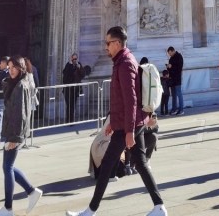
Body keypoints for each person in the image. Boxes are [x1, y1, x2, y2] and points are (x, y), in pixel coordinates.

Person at [66, 25, 166, 216]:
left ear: (118, 43)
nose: (106, 46)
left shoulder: (125, 63)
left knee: (107, 166)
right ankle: (159, 206)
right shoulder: (122, 61)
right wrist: (113, 121)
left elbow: (131, 100)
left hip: (127, 125)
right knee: (140, 164)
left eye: (108, 43)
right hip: (126, 123)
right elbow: (120, 98)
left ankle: (90, 211)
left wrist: (128, 131)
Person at [0, 55, 43, 216]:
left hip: (15, 132)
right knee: (8, 166)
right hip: (12, 130)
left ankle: (8, 208)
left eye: (14, 67)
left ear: (21, 68)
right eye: (9, 67)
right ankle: (31, 192)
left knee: (7, 167)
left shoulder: (21, 86)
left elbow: (21, 114)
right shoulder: (14, 83)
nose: (11, 70)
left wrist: (15, 138)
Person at [62, 53, 84, 124]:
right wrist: (70, 64)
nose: (74, 60)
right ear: (71, 59)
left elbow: (82, 75)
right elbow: (65, 73)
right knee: (68, 104)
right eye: (73, 59)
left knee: (72, 105)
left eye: (75, 59)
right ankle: (68, 120)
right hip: (67, 89)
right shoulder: (68, 65)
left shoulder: (79, 65)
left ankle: (71, 121)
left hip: (75, 89)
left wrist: (79, 68)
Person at [166, 46, 184, 115]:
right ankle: (174, 109)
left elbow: (179, 68)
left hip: (177, 78)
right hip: (172, 79)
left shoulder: (179, 57)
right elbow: (170, 70)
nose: (169, 54)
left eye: (170, 53)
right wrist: (168, 67)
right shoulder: (171, 58)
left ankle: (181, 109)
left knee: (179, 94)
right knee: (173, 95)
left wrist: (172, 66)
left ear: (173, 51)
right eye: (169, 53)